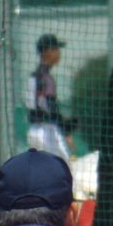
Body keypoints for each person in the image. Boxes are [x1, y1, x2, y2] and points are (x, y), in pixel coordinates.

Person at [26, 34, 78, 163]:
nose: (59, 53)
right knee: (63, 168)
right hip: (47, 131)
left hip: (34, 130)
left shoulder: (35, 75)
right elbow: (51, 107)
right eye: (56, 49)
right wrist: (66, 130)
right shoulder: (46, 77)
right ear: (48, 51)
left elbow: (34, 107)